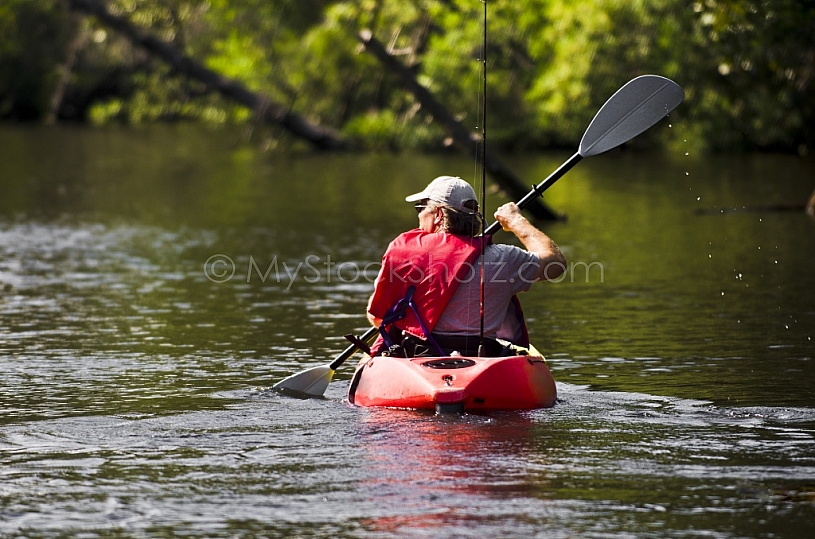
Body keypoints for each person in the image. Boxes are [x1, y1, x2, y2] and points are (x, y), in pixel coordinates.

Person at [366, 175, 566, 357]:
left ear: (438, 214)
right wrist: (516, 221)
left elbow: (376, 317)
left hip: (419, 358)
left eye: (421, 208)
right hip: (483, 359)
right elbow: (556, 263)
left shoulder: (405, 252)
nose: (418, 216)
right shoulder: (505, 258)